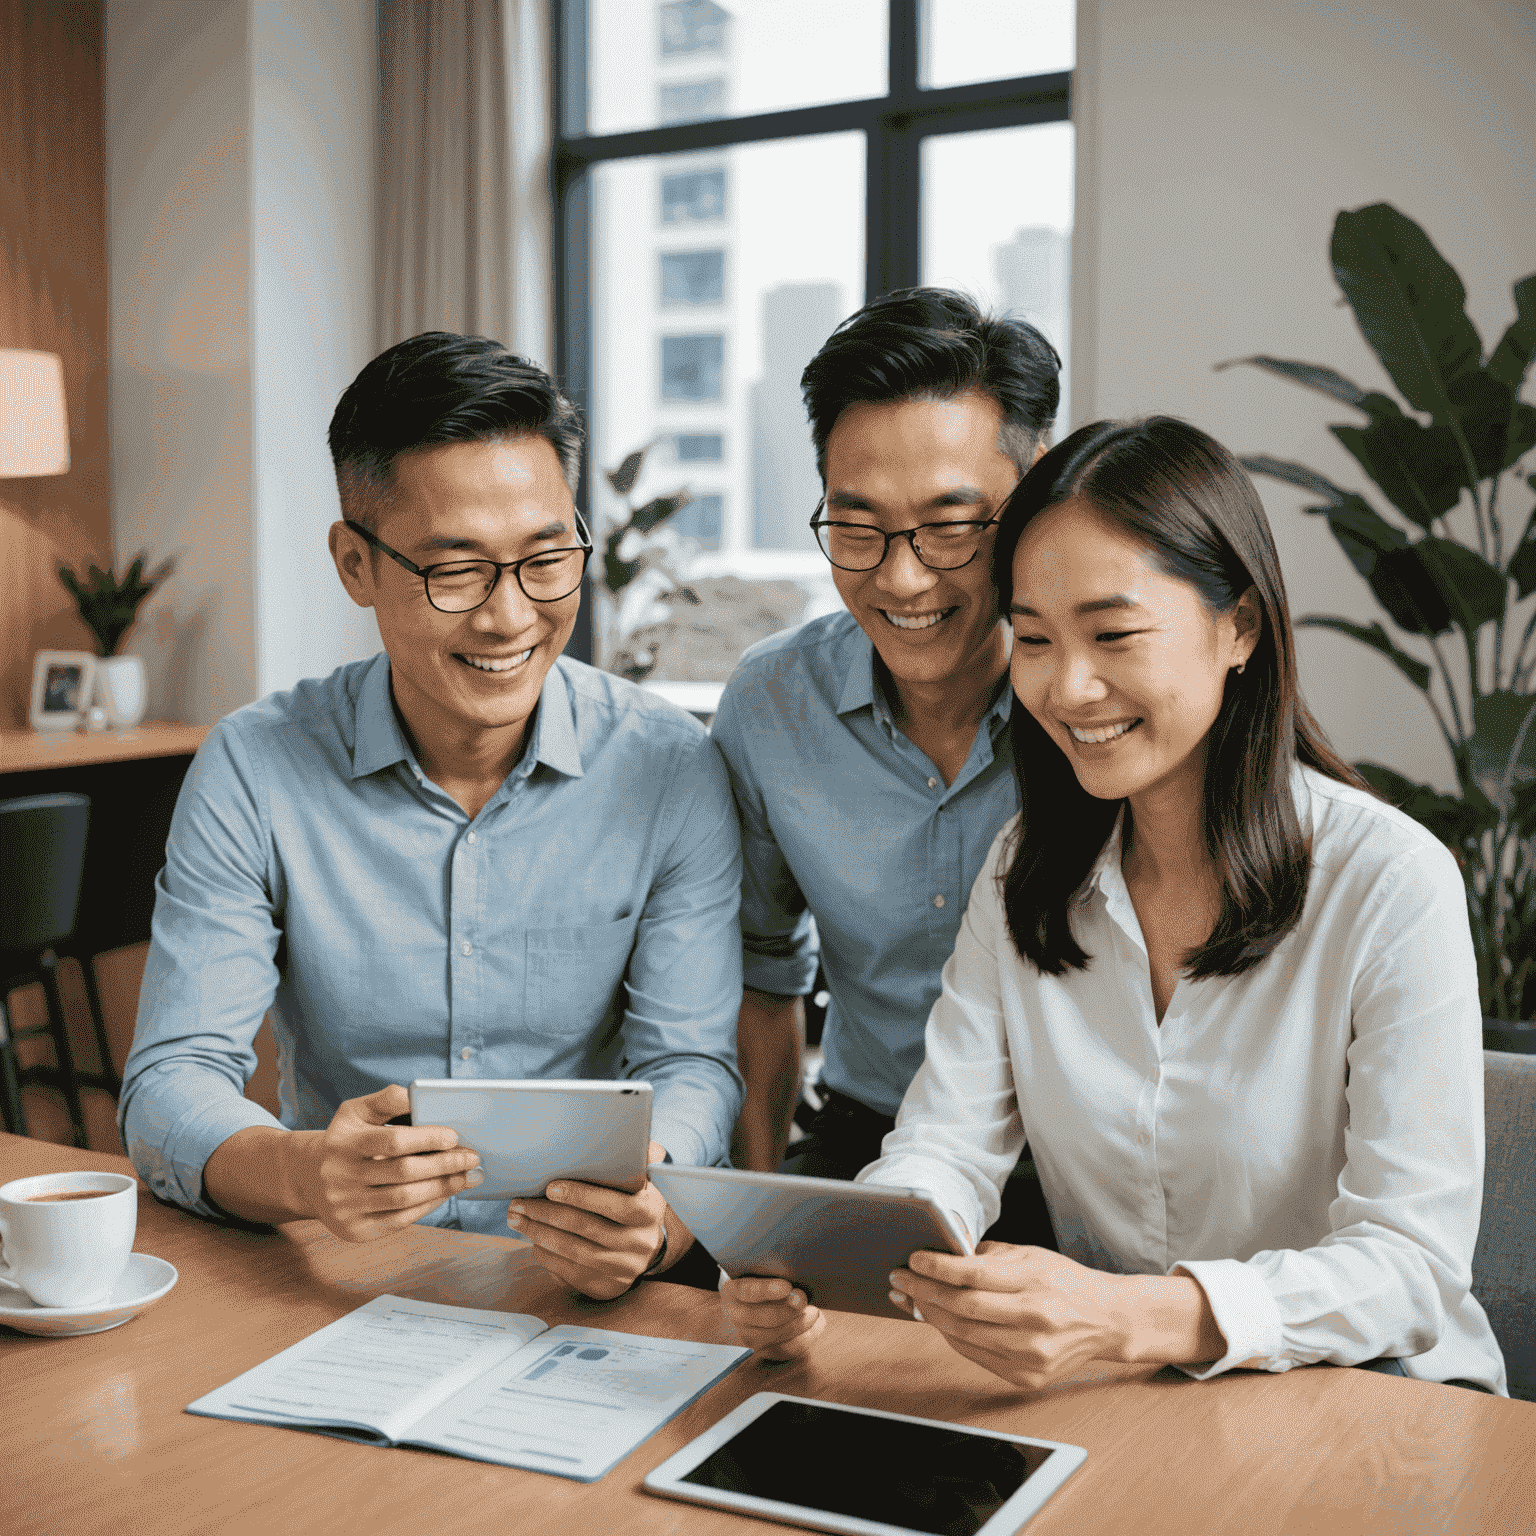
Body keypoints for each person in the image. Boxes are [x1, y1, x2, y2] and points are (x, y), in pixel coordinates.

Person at [723, 416, 1507, 1396]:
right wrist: (841, 1254)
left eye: (1114, 634)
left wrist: (1140, 1314)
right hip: (1145, 1392)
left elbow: (1411, 1266)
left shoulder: (1390, 881)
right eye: (1037, 639)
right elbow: (946, 1142)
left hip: (1374, 1395)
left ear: (1241, 626)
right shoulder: (1027, 870)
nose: (1069, 686)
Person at [119, 332, 744, 1301]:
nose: (508, 617)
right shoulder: (255, 768)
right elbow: (171, 1079)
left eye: (546, 558)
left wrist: (652, 1211)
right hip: (341, 1270)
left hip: (571, 1284)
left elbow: (691, 1063)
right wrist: (304, 1171)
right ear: (355, 566)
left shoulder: (669, 771)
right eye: (454, 571)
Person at [712, 289, 1059, 1249]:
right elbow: (761, 965)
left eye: (951, 527)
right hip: (871, 1138)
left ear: (1034, 497)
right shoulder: (773, 705)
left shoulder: (1098, 702)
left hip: (1089, 1164)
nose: (902, 579)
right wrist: (758, 1205)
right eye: (856, 527)